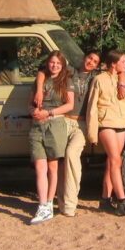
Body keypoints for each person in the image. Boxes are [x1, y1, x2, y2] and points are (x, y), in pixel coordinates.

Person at [34, 49, 101, 217]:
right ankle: (60, 203)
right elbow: (43, 71)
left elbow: (121, 75)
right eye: (90, 58)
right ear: (84, 58)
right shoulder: (69, 71)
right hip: (63, 120)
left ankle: (70, 205)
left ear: (97, 66)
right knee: (60, 160)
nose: (91, 62)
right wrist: (39, 90)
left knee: (71, 154)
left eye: (95, 62)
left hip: (81, 124)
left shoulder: (96, 78)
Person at [86, 49, 125, 217]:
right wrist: (92, 134)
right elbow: (92, 107)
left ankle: (105, 199)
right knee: (115, 160)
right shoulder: (99, 79)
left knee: (112, 162)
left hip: (121, 123)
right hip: (105, 123)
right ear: (113, 64)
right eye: (123, 61)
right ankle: (122, 201)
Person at [27, 51, 74, 225]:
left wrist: (49, 112)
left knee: (53, 168)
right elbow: (29, 103)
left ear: (62, 66)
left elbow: (70, 105)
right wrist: (33, 112)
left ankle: (48, 205)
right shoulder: (40, 79)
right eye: (52, 62)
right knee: (40, 166)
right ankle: (42, 205)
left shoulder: (66, 81)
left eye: (58, 63)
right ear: (47, 63)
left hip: (55, 123)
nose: (54, 65)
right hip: (37, 126)